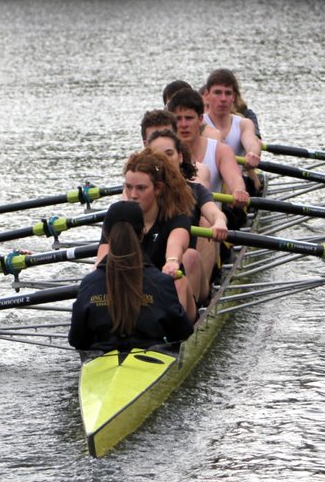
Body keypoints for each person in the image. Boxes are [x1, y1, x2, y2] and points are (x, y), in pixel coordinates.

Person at [69, 201, 193, 352]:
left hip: (101, 360)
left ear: (107, 236)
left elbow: (76, 339)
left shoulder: (90, 283)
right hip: (153, 358)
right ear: (142, 234)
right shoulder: (161, 282)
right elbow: (183, 332)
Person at [98, 149, 198, 321]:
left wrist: (172, 262)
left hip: (165, 296)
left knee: (179, 282)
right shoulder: (118, 219)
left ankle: (175, 341)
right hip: (130, 295)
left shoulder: (176, 219)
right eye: (128, 187)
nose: (133, 195)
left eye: (141, 188)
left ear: (158, 188)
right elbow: (103, 255)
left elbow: (176, 243)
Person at [146, 128, 229, 305]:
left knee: (190, 255)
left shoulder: (195, 191)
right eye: (157, 156)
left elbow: (215, 214)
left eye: (169, 154)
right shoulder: (141, 193)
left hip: (188, 276)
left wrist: (219, 223)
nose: (164, 161)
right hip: (150, 276)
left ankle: (182, 320)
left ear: (180, 157)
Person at [166, 88, 250, 208]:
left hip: (211, 222)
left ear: (201, 120)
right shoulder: (164, 152)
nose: (184, 124)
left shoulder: (220, 151)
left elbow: (235, 179)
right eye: (178, 119)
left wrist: (238, 190)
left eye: (189, 118)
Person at [202, 68, 263, 194]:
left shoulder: (243, 124)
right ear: (207, 96)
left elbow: (252, 142)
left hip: (233, 194)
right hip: (205, 193)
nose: (223, 98)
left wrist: (252, 154)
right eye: (217, 93)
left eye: (228, 93)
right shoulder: (198, 123)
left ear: (233, 97)